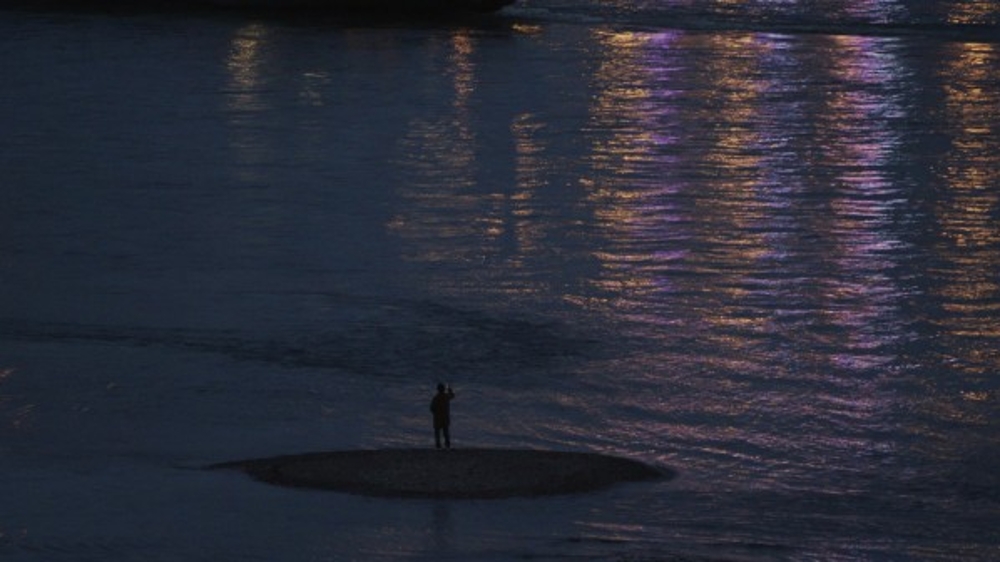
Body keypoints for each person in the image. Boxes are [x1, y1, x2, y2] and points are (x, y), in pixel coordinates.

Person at [429, 383, 455, 449]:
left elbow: (432, 408)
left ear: (438, 390)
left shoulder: (436, 398)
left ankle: (438, 445)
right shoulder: (446, 397)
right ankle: (447, 445)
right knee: (446, 432)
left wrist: (435, 413)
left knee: (437, 432)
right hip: (445, 418)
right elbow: (452, 396)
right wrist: (450, 390)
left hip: (437, 418)